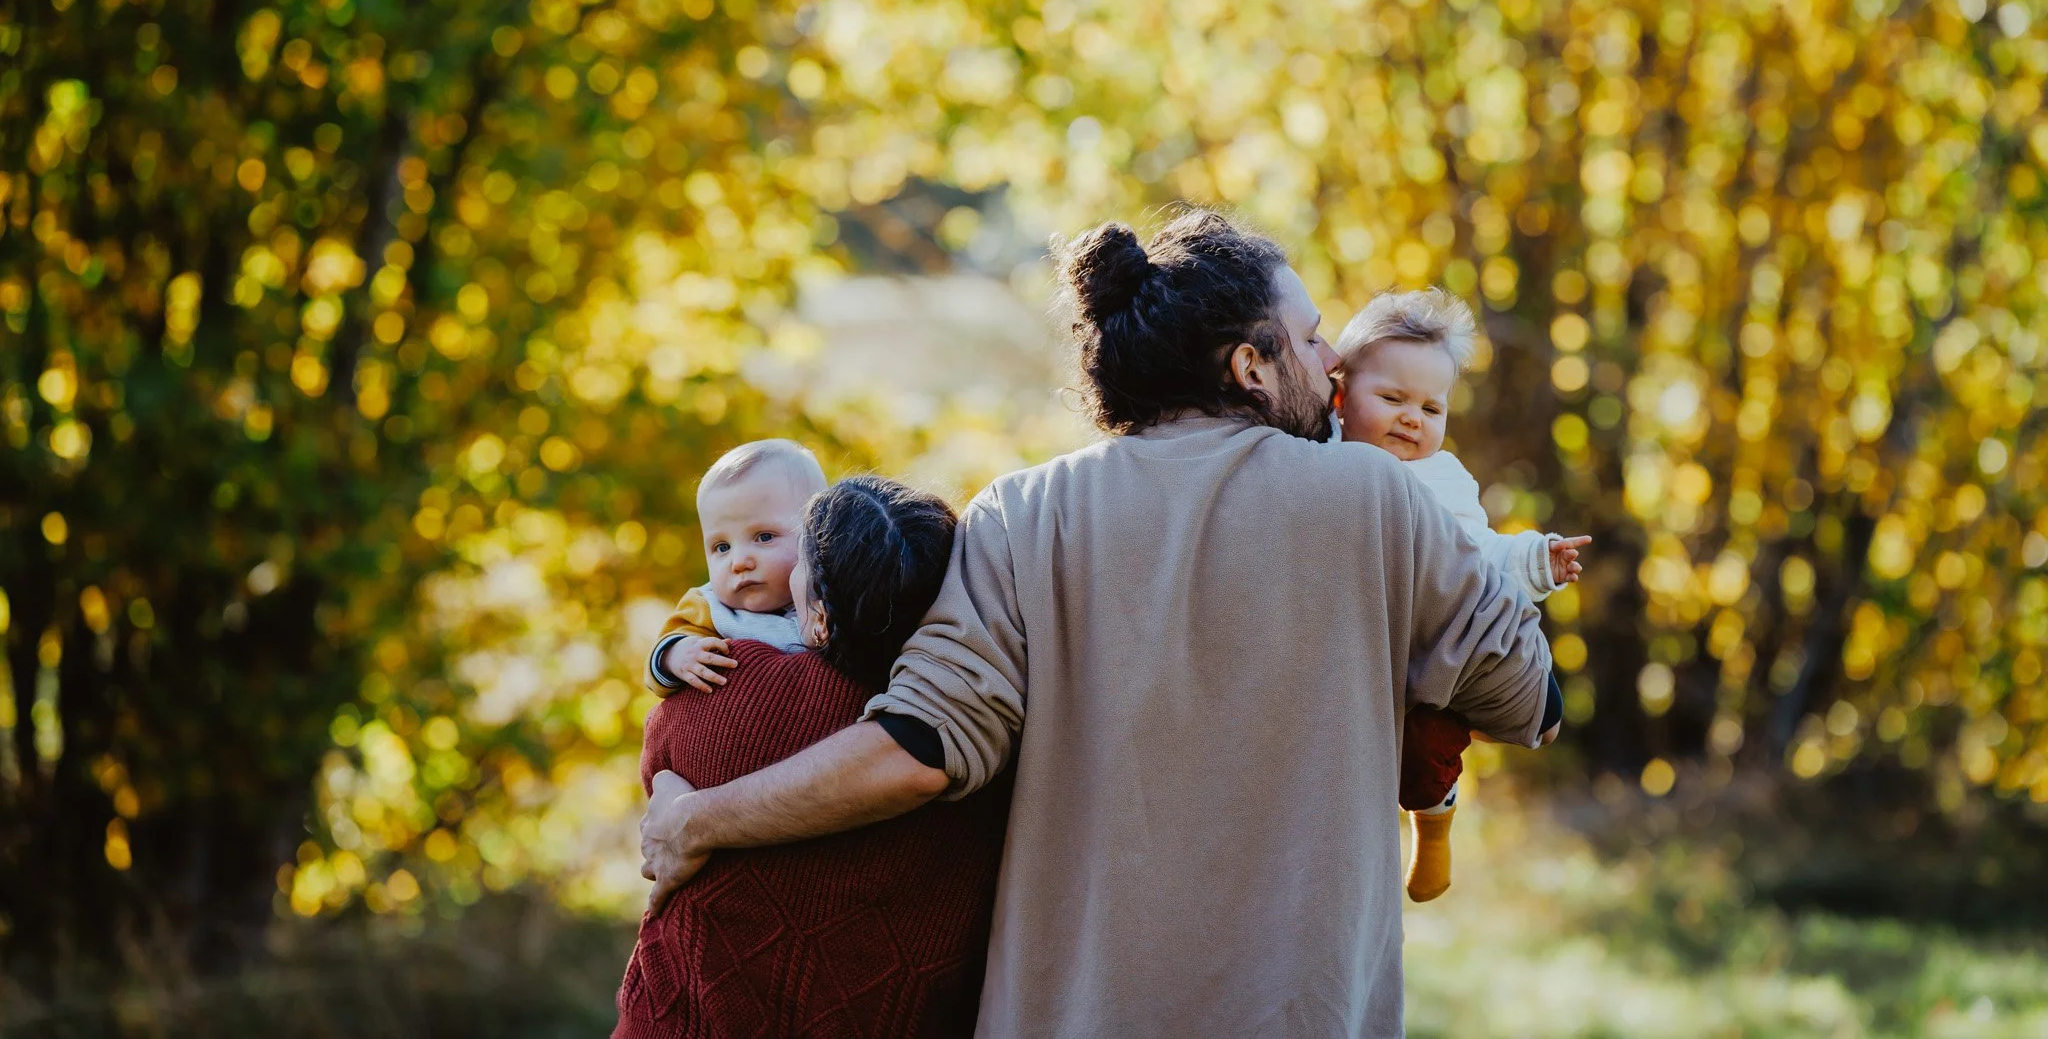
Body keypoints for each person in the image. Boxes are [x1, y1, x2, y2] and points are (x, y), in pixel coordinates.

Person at [641, 208, 1559, 1038]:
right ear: (1250, 364)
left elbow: (916, 749)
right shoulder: (1379, 502)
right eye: (1313, 337)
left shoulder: (1021, 515)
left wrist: (698, 822)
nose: (1334, 365)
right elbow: (1529, 699)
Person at [615, 475, 1009, 1039]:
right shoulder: (978, 728)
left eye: (792, 555)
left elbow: (659, 765)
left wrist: (682, 803)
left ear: (820, 616)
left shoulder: (726, 686)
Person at [1335, 287, 1590, 903]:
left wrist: (1536, 559)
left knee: (1428, 750)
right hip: (1372, 655)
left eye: (1432, 407)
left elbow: (1482, 557)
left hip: (1442, 652)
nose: (1412, 419)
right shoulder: (1319, 457)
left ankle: (1436, 822)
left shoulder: (1443, 479)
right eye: (1391, 398)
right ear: (1340, 397)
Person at [641, 439, 826, 696]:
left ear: (816, 533)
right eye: (722, 547)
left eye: (764, 537)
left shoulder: (834, 593)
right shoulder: (708, 607)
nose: (739, 563)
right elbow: (659, 656)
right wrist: (678, 656)